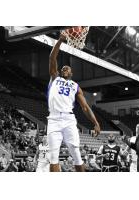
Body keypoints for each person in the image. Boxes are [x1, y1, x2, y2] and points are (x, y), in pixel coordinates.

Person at [47, 34, 101, 172]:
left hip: (69, 119)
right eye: (63, 68)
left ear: (71, 73)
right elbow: (52, 58)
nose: (65, 69)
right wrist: (60, 41)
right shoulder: (55, 78)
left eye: (68, 68)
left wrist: (95, 122)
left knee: (76, 153)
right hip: (53, 119)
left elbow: (84, 107)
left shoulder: (75, 86)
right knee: (53, 156)